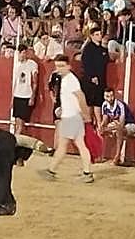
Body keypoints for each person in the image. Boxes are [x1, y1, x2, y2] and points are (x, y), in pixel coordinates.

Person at [38, 54, 94, 183]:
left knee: (63, 146)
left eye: (62, 66)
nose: (59, 69)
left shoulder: (70, 80)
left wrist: (86, 115)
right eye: (57, 66)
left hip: (71, 117)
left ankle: (51, 170)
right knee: (80, 145)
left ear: (69, 66)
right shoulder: (67, 79)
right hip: (73, 116)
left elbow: (80, 96)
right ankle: (87, 173)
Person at [98, 87, 135, 165]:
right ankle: (100, 155)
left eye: (111, 96)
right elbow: (105, 119)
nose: (110, 99)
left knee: (119, 131)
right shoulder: (104, 105)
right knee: (100, 130)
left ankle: (117, 156)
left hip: (130, 125)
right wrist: (102, 127)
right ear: (104, 97)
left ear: (114, 95)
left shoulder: (120, 105)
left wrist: (108, 128)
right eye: (107, 96)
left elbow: (121, 124)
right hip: (115, 124)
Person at [11, 42, 38, 136]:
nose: (21, 55)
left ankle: (14, 140)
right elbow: (15, 82)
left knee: (21, 123)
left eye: (22, 53)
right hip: (17, 95)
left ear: (25, 53)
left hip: (26, 95)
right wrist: (12, 98)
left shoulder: (32, 64)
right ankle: (16, 140)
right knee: (17, 121)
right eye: (19, 53)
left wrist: (33, 97)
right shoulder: (17, 65)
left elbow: (35, 82)